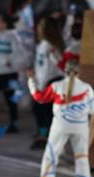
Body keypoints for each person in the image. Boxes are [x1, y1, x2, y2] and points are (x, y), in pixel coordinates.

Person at [28, 59, 94, 177]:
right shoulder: (87, 88)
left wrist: (31, 81)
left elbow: (39, 98)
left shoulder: (57, 86)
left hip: (60, 127)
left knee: (51, 157)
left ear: (64, 71)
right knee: (82, 158)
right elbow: (93, 110)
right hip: (81, 128)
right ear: (79, 72)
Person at [30, 16, 65, 149]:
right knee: (47, 112)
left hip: (48, 81)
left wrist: (40, 86)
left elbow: (45, 68)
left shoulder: (47, 46)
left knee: (41, 110)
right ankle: (47, 136)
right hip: (51, 80)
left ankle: (46, 137)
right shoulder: (52, 45)